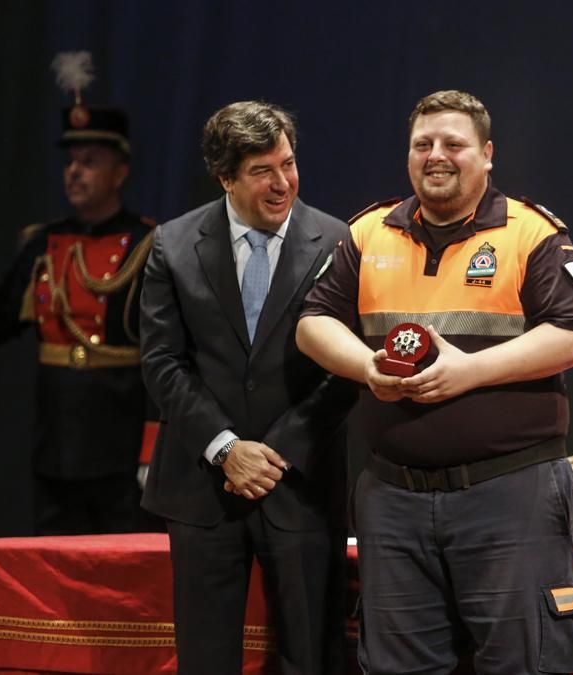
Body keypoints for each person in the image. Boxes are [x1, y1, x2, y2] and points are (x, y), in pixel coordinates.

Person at [297, 89, 573, 674]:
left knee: (525, 663)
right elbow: (312, 323)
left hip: (510, 492)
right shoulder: (369, 232)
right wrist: (366, 368)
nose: (437, 155)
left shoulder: (530, 233)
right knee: (396, 667)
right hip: (392, 498)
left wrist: (467, 372)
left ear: (487, 154)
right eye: (423, 144)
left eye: (454, 144)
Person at [139, 101, 356, 673]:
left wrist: (274, 452)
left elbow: (346, 368)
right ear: (226, 177)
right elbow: (162, 362)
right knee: (205, 658)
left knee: (310, 655)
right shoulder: (174, 244)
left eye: (288, 163)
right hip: (202, 486)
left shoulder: (340, 242)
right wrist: (226, 448)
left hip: (302, 483)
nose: (282, 182)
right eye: (262, 171)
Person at [0, 99, 156, 535]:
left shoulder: (146, 244)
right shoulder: (44, 243)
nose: (75, 172)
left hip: (120, 437)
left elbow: (165, 351)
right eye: (71, 162)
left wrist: (153, 448)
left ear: (119, 172)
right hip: (55, 440)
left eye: (90, 162)